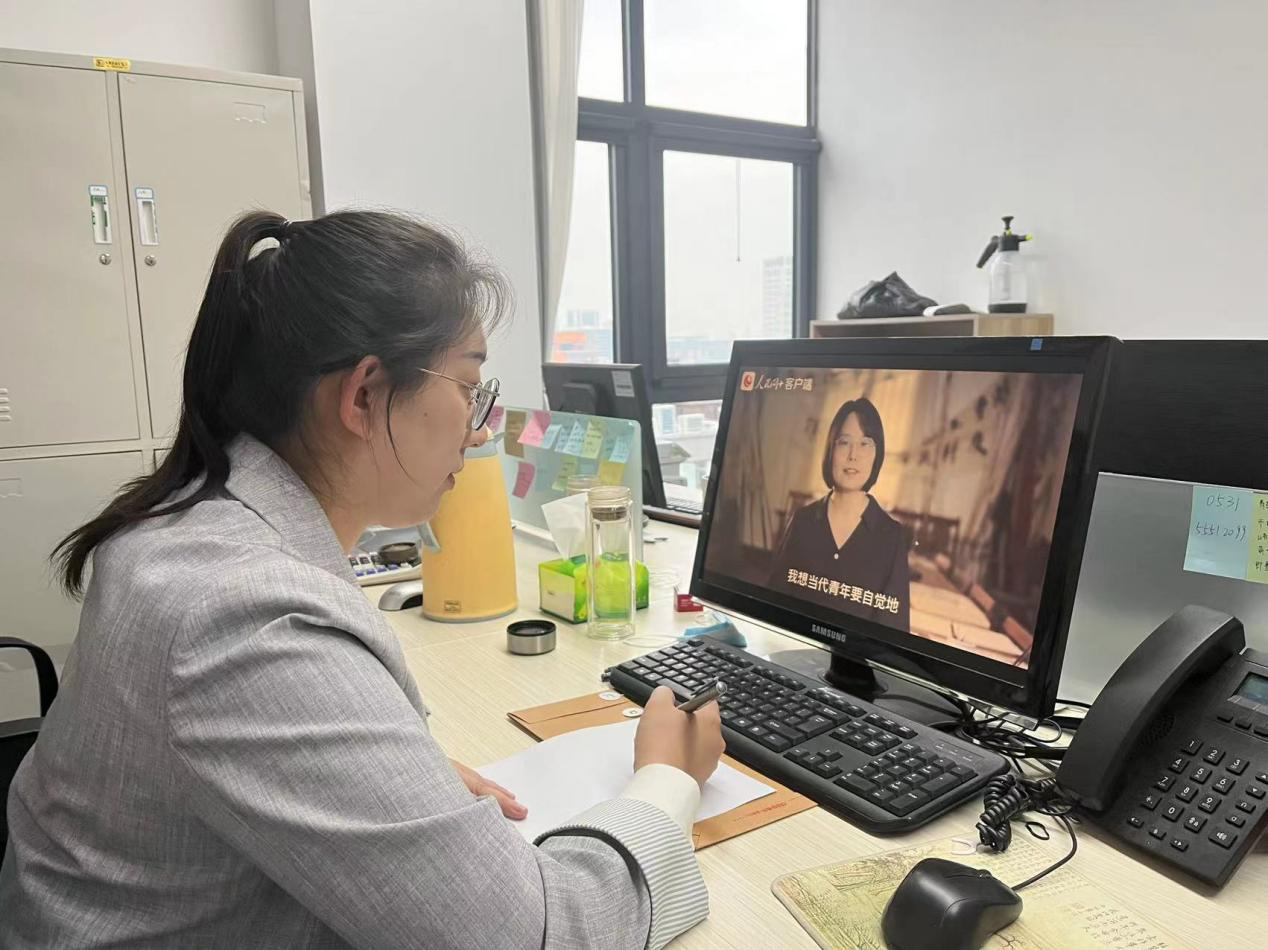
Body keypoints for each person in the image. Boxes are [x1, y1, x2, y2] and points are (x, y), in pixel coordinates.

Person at [0, 210, 724, 949]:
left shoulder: (187, 528)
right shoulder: (247, 620)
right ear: (364, 397)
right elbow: (540, 935)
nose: (479, 429)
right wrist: (666, 779)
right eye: (469, 387)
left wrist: (377, 781)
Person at [767, 396, 911, 632]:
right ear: (831, 450)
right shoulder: (803, 520)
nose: (853, 455)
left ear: (877, 455)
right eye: (844, 442)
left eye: (865, 443)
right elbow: (773, 605)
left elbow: (893, 631)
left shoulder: (892, 536)